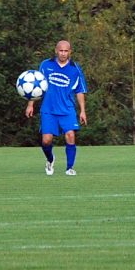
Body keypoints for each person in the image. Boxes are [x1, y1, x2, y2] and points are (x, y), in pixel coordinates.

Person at [25, 40, 88, 176]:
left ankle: (69, 168)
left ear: (70, 52)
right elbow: (36, 86)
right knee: (46, 140)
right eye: (61, 50)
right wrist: (30, 104)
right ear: (56, 50)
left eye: (66, 51)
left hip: (67, 109)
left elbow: (80, 91)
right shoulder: (46, 65)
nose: (63, 53)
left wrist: (82, 111)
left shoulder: (75, 69)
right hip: (48, 110)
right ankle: (50, 159)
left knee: (70, 135)